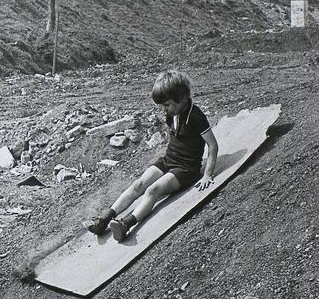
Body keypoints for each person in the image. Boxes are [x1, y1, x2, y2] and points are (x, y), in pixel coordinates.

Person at [84, 70, 219, 242]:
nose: (165, 109)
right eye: (162, 106)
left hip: (185, 169)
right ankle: (104, 219)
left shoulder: (195, 116)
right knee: (138, 184)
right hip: (169, 160)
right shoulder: (172, 113)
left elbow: (212, 145)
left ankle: (125, 224)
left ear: (182, 97)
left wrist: (207, 174)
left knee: (152, 190)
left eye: (167, 104)